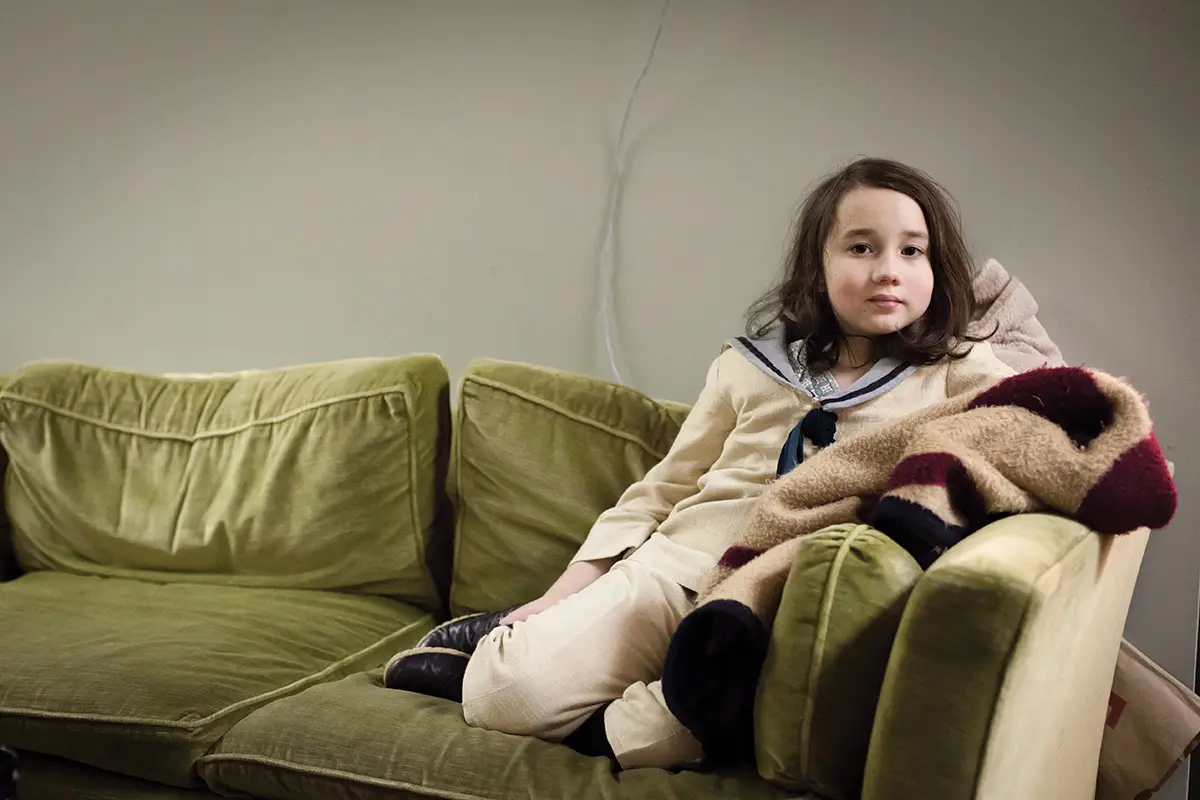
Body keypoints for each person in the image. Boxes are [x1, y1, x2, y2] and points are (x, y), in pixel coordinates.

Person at [385, 157, 1015, 771]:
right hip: (673, 569)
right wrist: (556, 597)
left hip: (770, 600)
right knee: (505, 698)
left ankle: (594, 715)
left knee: (688, 728)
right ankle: (513, 639)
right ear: (816, 265)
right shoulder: (747, 366)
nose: (889, 271)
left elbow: (1057, 413)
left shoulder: (955, 373)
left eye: (913, 251)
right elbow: (662, 490)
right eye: (860, 247)